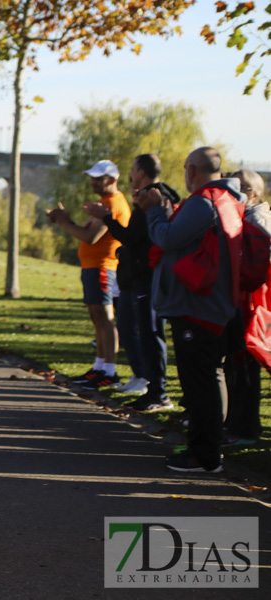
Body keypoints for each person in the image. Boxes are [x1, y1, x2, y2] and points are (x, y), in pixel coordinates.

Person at [141, 146, 241, 473]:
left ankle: (205, 455)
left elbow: (167, 239)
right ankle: (205, 448)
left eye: (186, 169)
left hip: (197, 305)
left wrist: (155, 210)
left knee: (200, 383)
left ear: (193, 170)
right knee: (208, 378)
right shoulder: (225, 199)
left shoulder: (203, 201)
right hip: (210, 302)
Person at [84, 154, 177, 411]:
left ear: (142, 173)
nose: (130, 174)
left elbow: (133, 237)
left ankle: (158, 391)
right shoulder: (147, 198)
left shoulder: (152, 199)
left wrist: (106, 218)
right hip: (136, 278)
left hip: (146, 278)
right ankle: (147, 383)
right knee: (138, 332)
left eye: (133, 169)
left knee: (151, 335)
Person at [46, 160, 130, 390]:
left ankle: (109, 371)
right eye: (91, 177)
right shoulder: (104, 203)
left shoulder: (111, 204)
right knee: (98, 318)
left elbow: (90, 237)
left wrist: (64, 222)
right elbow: (88, 233)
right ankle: (99, 367)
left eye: (98, 178)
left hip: (103, 266)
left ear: (111, 180)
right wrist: (66, 220)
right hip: (93, 266)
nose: (92, 182)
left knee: (105, 318)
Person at [223, 168, 268, 447]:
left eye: (237, 188)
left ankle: (246, 428)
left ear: (251, 193)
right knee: (237, 364)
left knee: (245, 367)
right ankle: (238, 424)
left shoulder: (259, 219)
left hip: (253, 303)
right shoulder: (249, 216)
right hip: (245, 300)